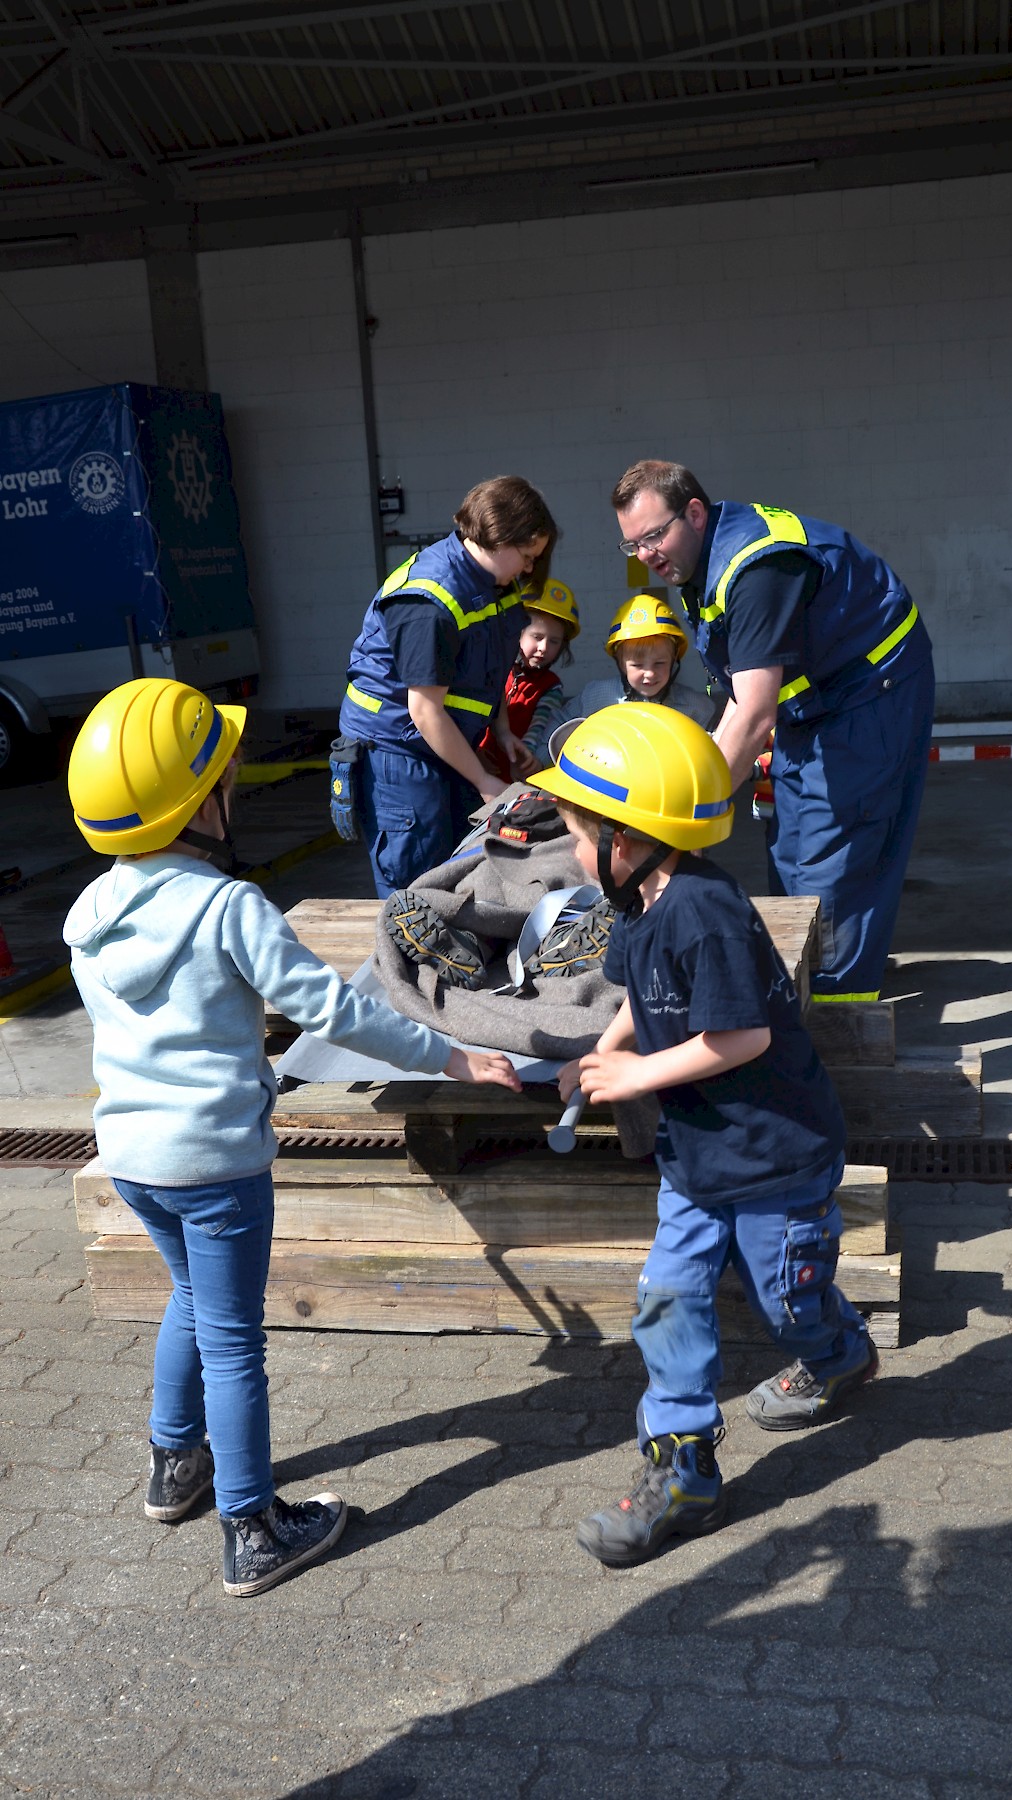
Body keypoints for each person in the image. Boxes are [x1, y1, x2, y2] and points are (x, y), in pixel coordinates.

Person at [63, 677, 520, 1597]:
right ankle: (253, 1525)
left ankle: (171, 1465)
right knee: (235, 1342)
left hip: (135, 1162)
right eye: (226, 774)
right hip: (219, 1164)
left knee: (190, 1301)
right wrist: (449, 1059)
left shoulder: (87, 918)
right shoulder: (227, 908)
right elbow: (336, 1011)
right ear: (203, 803)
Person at [531, 705, 876, 1566]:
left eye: (578, 834)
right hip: (695, 1158)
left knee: (785, 1301)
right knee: (669, 1297)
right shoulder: (638, 905)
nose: (572, 853)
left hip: (774, 1156)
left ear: (631, 836)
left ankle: (836, 1351)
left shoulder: (706, 912)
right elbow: (637, 1006)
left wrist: (638, 1077)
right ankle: (684, 1469)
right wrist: (598, 1057)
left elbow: (743, 1038)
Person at [610, 460, 935, 1003]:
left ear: (693, 513)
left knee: (833, 851)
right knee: (788, 841)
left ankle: (836, 1017)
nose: (645, 556)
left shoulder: (756, 568)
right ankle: (801, 986)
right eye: (632, 546)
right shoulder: (696, 560)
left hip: (870, 691)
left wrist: (679, 823)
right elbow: (739, 700)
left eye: (652, 536)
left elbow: (753, 712)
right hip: (812, 699)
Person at [338, 475, 557, 899]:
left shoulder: (495, 583)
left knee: (457, 872)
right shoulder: (429, 601)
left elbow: (491, 668)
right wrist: (484, 781)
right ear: (498, 536)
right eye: (527, 556)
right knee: (416, 888)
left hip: (443, 745)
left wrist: (504, 729)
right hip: (397, 754)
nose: (530, 568)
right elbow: (424, 711)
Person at [553, 593, 717, 743]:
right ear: (620, 662)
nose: (650, 674)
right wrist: (539, 761)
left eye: (659, 663)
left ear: (674, 658)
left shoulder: (698, 708)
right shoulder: (595, 696)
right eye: (637, 665)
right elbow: (559, 722)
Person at [479, 577, 579, 782]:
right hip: (474, 769)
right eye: (537, 636)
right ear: (517, 632)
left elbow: (539, 727)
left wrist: (525, 759)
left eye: (554, 641)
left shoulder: (551, 686)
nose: (544, 648)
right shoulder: (492, 668)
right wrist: (473, 753)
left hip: (514, 779)